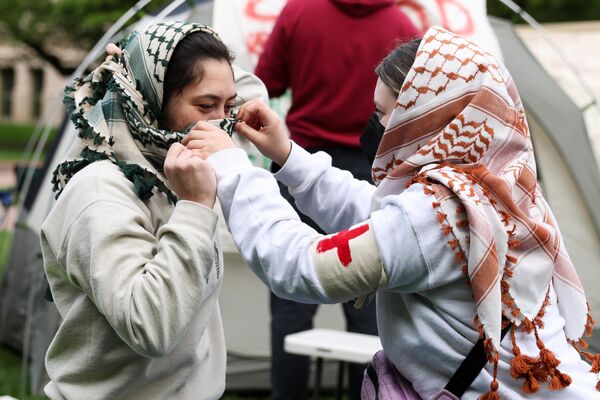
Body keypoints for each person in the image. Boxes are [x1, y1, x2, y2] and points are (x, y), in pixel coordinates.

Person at [186, 27, 600, 399]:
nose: (375, 127)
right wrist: (286, 155)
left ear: (427, 120)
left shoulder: (436, 216)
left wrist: (235, 170)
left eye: (386, 116)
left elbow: (302, 267)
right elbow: (377, 215)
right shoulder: (491, 183)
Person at [41, 21, 265, 400]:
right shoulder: (101, 192)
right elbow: (150, 327)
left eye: (229, 106)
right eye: (207, 107)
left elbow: (239, 89)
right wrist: (194, 209)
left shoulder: (168, 166)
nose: (223, 124)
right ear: (149, 99)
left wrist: (136, 65)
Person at [253, 0, 418, 397]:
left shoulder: (298, 12)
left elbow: (265, 84)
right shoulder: (400, 22)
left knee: (291, 304)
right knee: (371, 307)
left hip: (301, 158)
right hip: (373, 163)